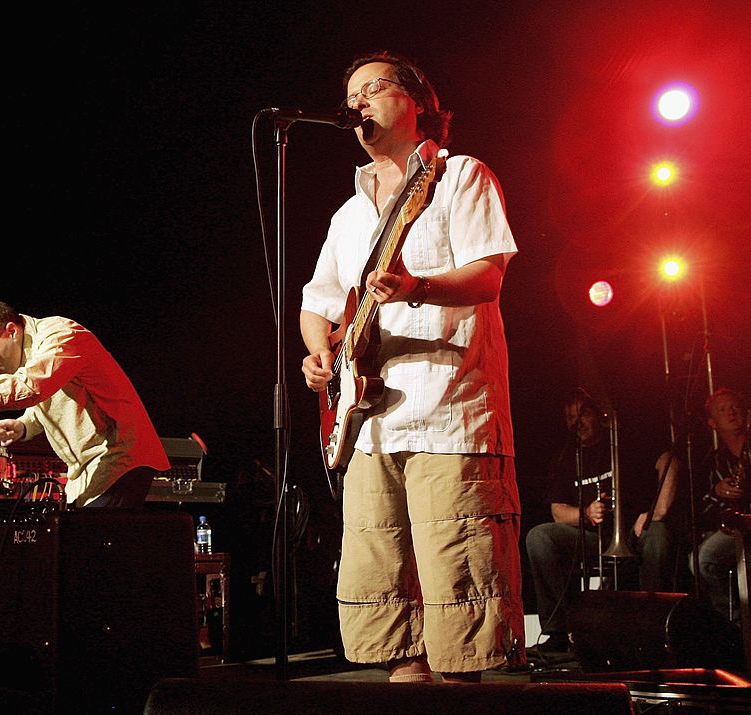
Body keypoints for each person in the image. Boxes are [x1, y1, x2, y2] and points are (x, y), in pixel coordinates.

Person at [300, 51, 524, 683]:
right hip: (369, 425)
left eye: (374, 89)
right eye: (352, 95)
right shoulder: (347, 215)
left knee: (460, 597)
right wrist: (321, 354)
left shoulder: (460, 178)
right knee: (390, 611)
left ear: (417, 100)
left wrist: (416, 285)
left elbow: (489, 275)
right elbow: (317, 301)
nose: (359, 103)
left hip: (450, 412)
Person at [0, 300, 168, 507]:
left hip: (120, 460)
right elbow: (51, 396)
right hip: (92, 472)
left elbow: (34, 386)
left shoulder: (62, 334)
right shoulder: (33, 353)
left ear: (12, 331)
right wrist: (23, 426)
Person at [524, 391, 682, 656]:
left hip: (635, 531)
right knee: (539, 537)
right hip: (594, 536)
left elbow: (670, 462)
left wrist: (657, 512)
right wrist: (585, 513)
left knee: (658, 535)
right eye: (570, 418)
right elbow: (557, 511)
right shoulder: (565, 457)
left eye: (583, 414)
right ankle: (558, 632)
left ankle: (654, 625)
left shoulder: (623, 442)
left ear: (600, 417)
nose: (577, 423)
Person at [690, 388, 750, 621]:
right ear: (712, 423)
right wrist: (717, 493)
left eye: (734, 406)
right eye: (723, 410)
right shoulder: (712, 463)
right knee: (701, 560)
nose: (731, 412)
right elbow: (703, 509)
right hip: (735, 528)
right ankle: (734, 623)